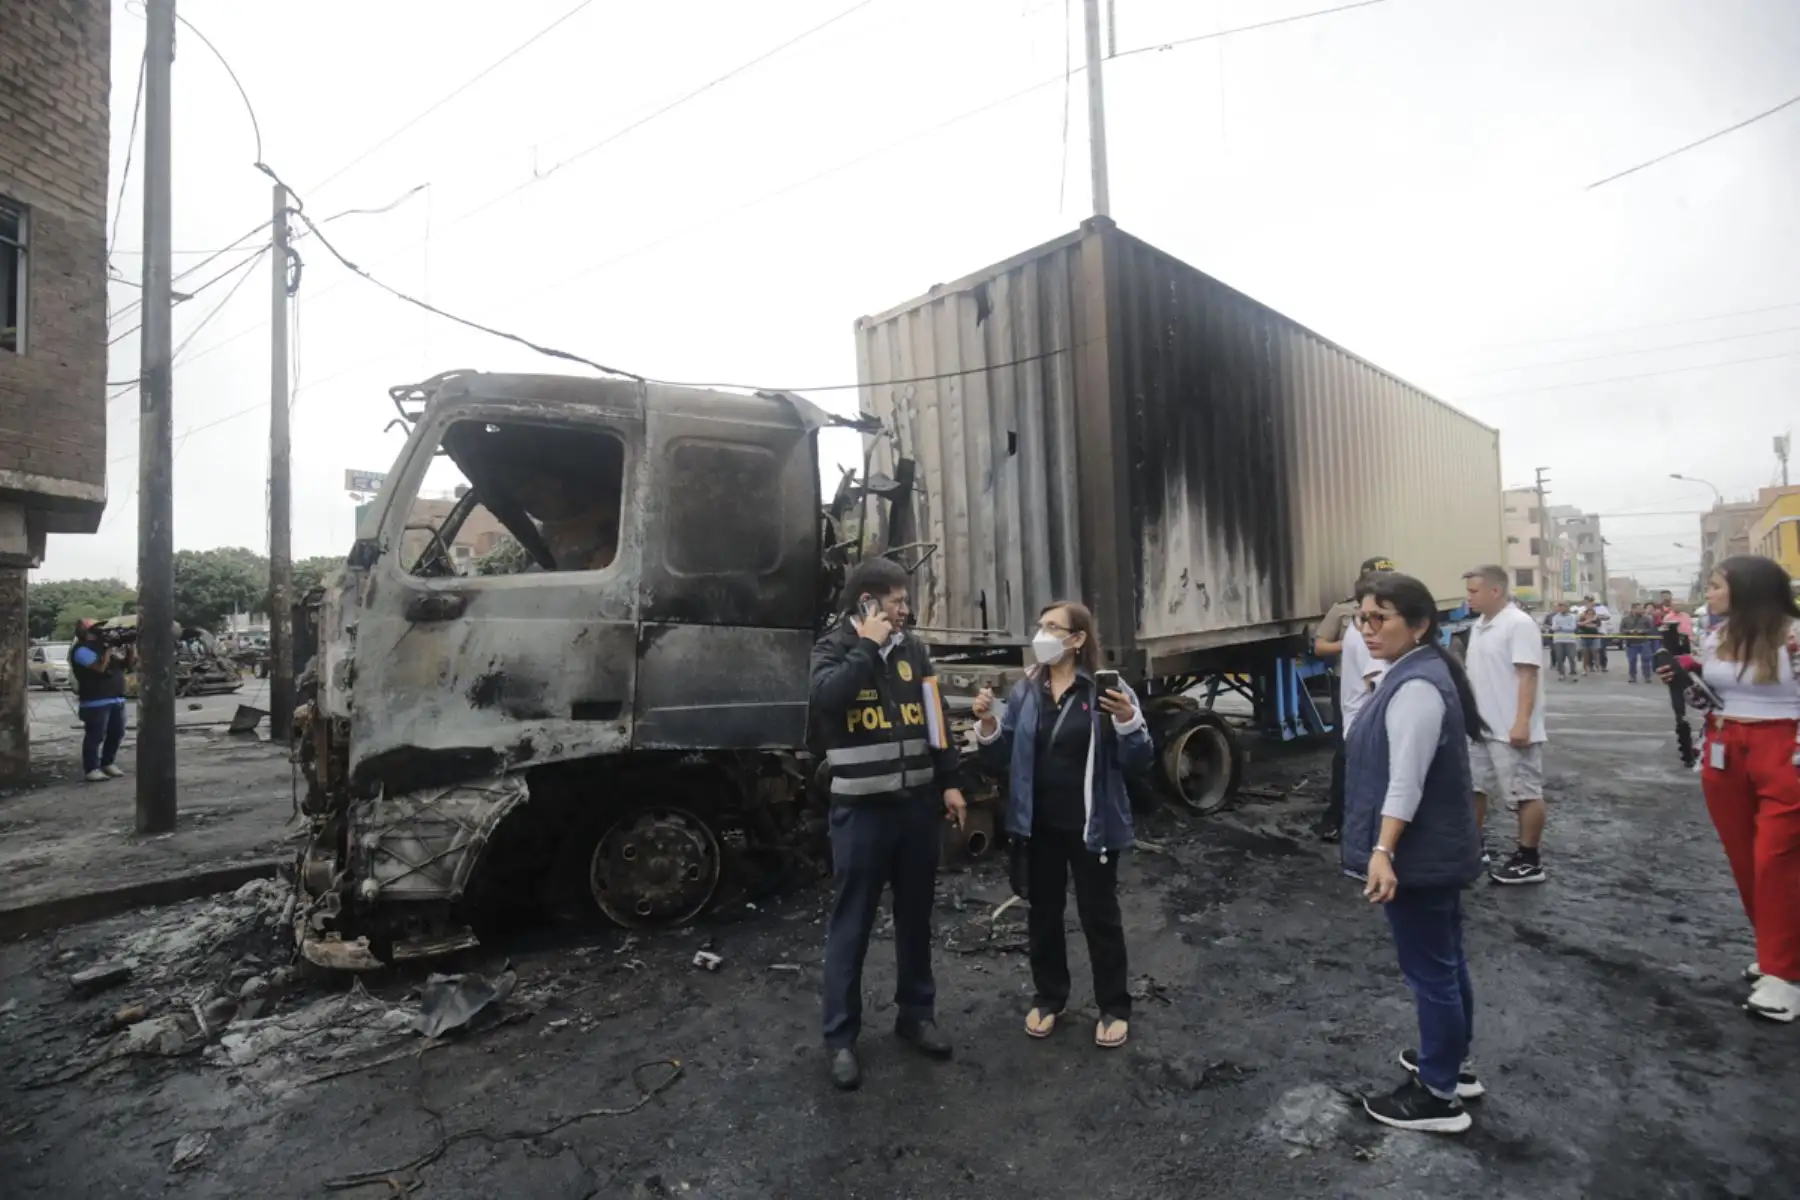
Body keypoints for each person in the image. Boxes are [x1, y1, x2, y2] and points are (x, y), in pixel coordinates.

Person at [810, 557, 968, 1089]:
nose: (905, 609)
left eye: (904, 600)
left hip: (915, 810)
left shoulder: (915, 651)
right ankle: (840, 1038)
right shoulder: (832, 649)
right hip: (861, 815)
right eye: (897, 601)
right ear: (868, 603)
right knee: (851, 923)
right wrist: (867, 647)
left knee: (915, 917)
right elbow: (829, 700)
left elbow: (935, 719)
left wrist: (949, 781)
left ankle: (916, 1015)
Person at [1344, 572, 1489, 1133]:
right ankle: (1453, 1062)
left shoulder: (1417, 688)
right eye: (1362, 617)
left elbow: (1406, 782)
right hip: (1433, 851)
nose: (1368, 628)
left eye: (1380, 618)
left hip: (1420, 855)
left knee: (1431, 970)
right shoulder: (1413, 673)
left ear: (1420, 625)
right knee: (1444, 961)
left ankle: (1437, 1093)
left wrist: (1383, 850)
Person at [973, 601, 1153, 1049]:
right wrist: (988, 724)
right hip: (1039, 825)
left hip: (1093, 825)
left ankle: (1113, 1006)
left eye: (1053, 627)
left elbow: (1139, 761)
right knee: (1044, 914)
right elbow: (1001, 757)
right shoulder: (1027, 691)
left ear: (1078, 639)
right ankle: (1050, 997)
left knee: (1100, 916)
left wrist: (1127, 721)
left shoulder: (1107, 690)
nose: (1043, 635)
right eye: (1041, 626)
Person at [1661, 556, 1800, 1021]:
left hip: (1783, 750)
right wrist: (1686, 678)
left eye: (1717, 585)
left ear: (1747, 588)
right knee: (1745, 859)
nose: (1709, 594)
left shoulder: (1794, 636)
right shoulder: (1717, 635)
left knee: (1776, 860)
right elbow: (1710, 701)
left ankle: (1786, 975)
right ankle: (1779, 952)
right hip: (1724, 749)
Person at [1461, 566, 1549, 885]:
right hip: (1481, 727)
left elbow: (1528, 674)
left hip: (1510, 728)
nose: (1468, 598)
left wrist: (1522, 722)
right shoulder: (1479, 626)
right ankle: (1473, 846)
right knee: (1474, 787)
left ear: (1495, 591)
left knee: (1525, 792)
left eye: (1473, 591)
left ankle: (1529, 860)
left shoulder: (1518, 624)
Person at [1313, 556, 1397, 841]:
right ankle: (1341, 820)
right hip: (1354, 690)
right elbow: (1321, 645)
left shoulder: (1371, 622)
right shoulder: (1355, 621)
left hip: (1360, 690)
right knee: (1349, 758)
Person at [68, 619, 131, 783]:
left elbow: (128, 664)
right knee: (95, 735)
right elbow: (100, 668)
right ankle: (91, 768)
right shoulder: (81, 650)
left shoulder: (104, 647)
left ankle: (108, 762)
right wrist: (108, 648)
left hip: (116, 697)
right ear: (85, 632)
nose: (103, 631)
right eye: (97, 628)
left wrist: (130, 646)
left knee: (116, 733)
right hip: (95, 700)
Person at [1620, 602, 1657, 682]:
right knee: (1632, 661)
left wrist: (1643, 631)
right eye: (1639, 608)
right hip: (1631, 643)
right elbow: (1621, 630)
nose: (1641, 610)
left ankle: (1647, 676)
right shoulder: (1625, 619)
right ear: (1633, 609)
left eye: (1641, 608)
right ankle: (1632, 676)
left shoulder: (1646, 619)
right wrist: (1629, 631)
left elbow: (1652, 629)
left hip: (1644, 642)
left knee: (1646, 660)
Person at [1548, 603, 1580, 681]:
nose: (1562, 609)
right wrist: (1565, 626)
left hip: (1570, 640)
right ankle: (1561, 673)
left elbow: (1572, 628)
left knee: (1571, 657)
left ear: (1567, 608)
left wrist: (1561, 627)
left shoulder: (1572, 617)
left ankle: (1573, 673)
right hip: (1558, 640)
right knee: (1559, 658)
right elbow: (1554, 628)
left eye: (1563, 607)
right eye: (1560, 607)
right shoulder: (1555, 617)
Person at [1576, 603, 1602, 674]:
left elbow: (1594, 626)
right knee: (1585, 655)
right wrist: (1590, 620)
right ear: (1585, 614)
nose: (1589, 615)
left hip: (1594, 638)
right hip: (1584, 638)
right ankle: (1585, 670)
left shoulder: (1597, 620)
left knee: (1595, 655)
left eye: (1591, 614)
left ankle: (1597, 668)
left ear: (1594, 614)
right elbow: (1580, 624)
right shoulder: (1582, 619)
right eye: (1588, 614)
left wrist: (1586, 623)